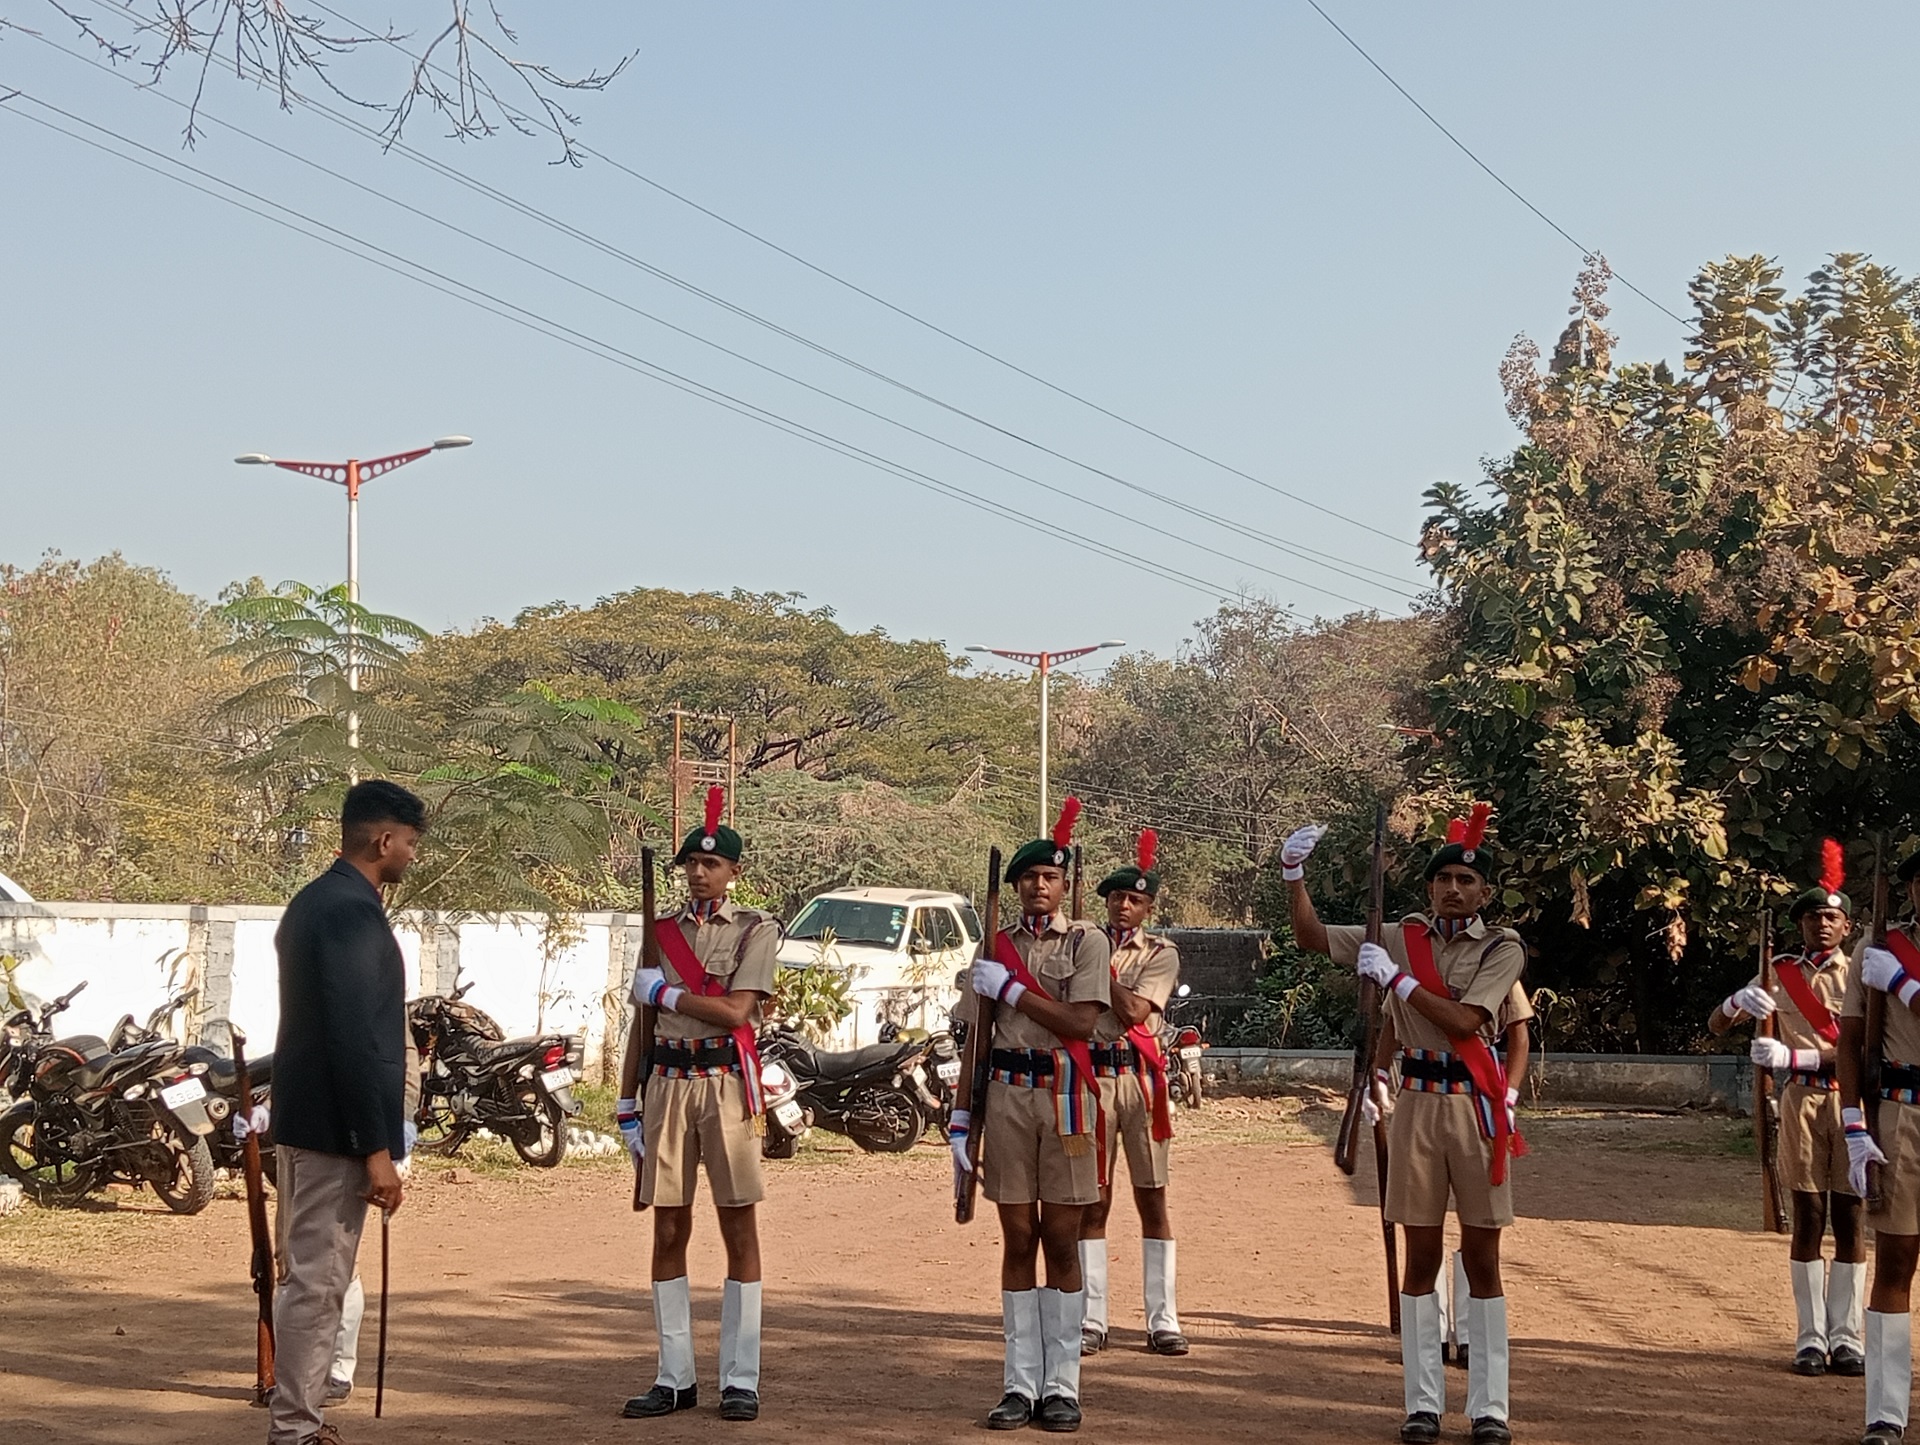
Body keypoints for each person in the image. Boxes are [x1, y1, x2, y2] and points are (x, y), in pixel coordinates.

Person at [1287, 804, 1526, 1445]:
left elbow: (1470, 1021)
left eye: (1466, 880)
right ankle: (1422, 1403)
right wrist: (1293, 874)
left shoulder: (1503, 947)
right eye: (1443, 879)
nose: (1453, 888)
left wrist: (1394, 977)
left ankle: (1489, 1408)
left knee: (1482, 1258)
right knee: (1418, 1260)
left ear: (1485, 892)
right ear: (1428, 887)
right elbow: (1313, 937)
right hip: (1417, 1104)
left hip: (1475, 1106)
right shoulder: (1399, 933)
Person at [266, 779, 422, 1445]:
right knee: (320, 1282)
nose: (412, 855)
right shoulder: (352, 914)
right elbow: (354, 1039)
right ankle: (296, 1428)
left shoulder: (312, 902)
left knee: (309, 1277)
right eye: (410, 843)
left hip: (307, 1123)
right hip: (336, 1133)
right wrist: (376, 1148)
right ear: (384, 839)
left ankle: (298, 1419)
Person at [618, 787, 779, 1423]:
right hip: (666, 1085)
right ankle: (674, 1374)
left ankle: (741, 1377)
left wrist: (670, 997)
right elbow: (640, 1025)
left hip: (725, 1083)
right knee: (668, 1226)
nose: (698, 871)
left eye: (711, 863)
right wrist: (628, 1099)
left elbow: (738, 1010)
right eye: (690, 862)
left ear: (734, 871)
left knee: (738, 1224)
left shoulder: (754, 930)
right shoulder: (659, 933)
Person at [950, 798, 1111, 1433]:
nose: (1038, 887)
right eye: (1028, 878)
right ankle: (1019, 1384)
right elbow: (975, 1039)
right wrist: (962, 1117)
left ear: (1064, 883)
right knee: (1018, 1237)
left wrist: (1013, 990)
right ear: (1015, 886)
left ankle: (1063, 1386)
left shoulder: (1087, 940)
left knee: (1063, 1239)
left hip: (1068, 1096)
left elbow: (1080, 1021)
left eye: (1049, 877)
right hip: (1008, 1097)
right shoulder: (993, 945)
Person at [1711, 839, 1861, 1376]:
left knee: (1849, 1217)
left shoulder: (1860, 974)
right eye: (1811, 917)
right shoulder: (1777, 972)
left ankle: (1847, 1337)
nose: (1821, 925)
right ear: (1798, 925)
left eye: (1830, 917)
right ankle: (1810, 1337)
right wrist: (1737, 1003)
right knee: (1807, 1215)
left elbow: (1862, 1049)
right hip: (1797, 1100)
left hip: (1850, 1101)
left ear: (1847, 927)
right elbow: (1716, 1025)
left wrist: (1796, 1052)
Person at [1079, 828, 1187, 1358]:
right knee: (1092, 1201)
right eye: (1118, 897)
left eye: (1135, 900)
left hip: (1140, 1081)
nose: (1124, 906)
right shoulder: (1080, 941)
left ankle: (1163, 1318)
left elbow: (1136, 1012)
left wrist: (1095, 968)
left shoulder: (1161, 954)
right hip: (1091, 1078)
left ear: (1147, 908)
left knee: (1153, 1198)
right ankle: (1091, 1316)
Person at [1839, 847, 1920, 1445]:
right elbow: (1851, 1041)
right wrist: (1853, 1122)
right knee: (1895, 1261)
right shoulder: (1881, 948)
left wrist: (1902, 982)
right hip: (1902, 1114)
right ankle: (1885, 1413)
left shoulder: (1894, 962)